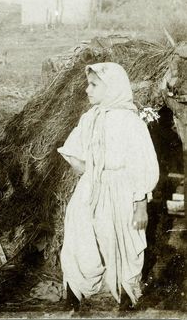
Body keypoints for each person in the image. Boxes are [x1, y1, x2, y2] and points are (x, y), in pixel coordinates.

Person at [57, 62, 159, 312]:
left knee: (122, 242)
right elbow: (73, 152)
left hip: (122, 190)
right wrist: (92, 173)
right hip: (92, 187)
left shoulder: (130, 122)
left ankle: (126, 299)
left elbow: (142, 163)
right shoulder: (89, 118)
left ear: (111, 88)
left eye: (93, 85)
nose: (87, 90)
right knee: (77, 237)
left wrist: (140, 205)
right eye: (88, 84)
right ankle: (74, 297)